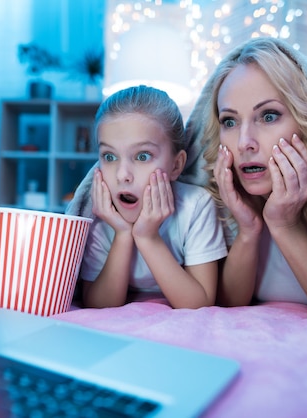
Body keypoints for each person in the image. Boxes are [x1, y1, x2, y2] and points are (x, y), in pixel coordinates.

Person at [195, 37, 307, 307]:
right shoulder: (217, 205)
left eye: (268, 116)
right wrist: (248, 229)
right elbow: (229, 306)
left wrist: (285, 224)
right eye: (230, 121)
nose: (245, 142)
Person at [79, 85, 227, 309]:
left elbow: (200, 303)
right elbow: (97, 305)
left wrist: (148, 237)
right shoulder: (100, 213)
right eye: (109, 156)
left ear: (176, 165)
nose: (122, 175)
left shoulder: (195, 206)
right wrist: (122, 234)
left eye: (142, 156)